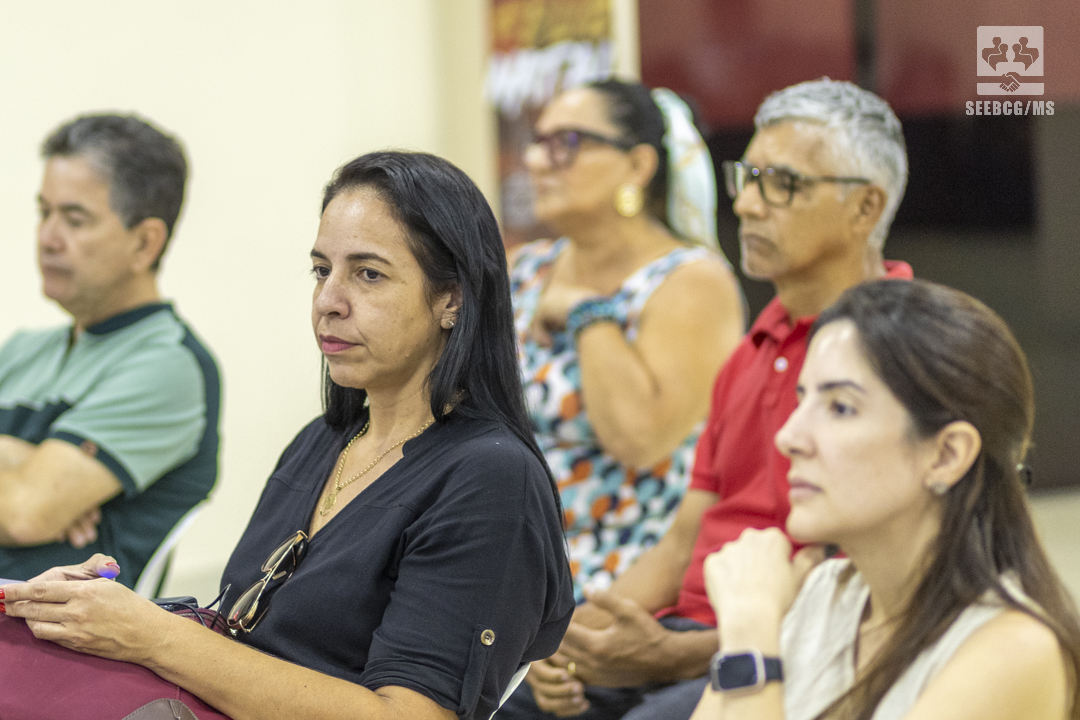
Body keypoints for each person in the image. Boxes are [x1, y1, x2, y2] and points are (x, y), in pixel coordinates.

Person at [0, 151, 575, 720]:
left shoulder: (490, 478)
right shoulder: (325, 441)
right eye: (322, 270)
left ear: (452, 298)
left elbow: (411, 715)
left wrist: (154, 636)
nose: (328, 302)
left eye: (369, 274)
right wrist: (103, 612)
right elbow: (240, 634)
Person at [502, 78, 913, 720]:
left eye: (782, 184)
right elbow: (680, 542)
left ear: (865, 207)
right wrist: (572, 640)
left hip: (792, 642)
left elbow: (868, 595)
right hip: (681, 625)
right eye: (747, 178)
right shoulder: (753, 349)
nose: (746, 204)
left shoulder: (906, 351)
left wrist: (671, 656)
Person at [691, 278, 1080, 720]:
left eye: (840, 408)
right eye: (802, 401)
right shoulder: (822, 593)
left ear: (947, 455)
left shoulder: (1014, 650)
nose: (789, 436)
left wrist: (749, 634)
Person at [511, 79, 744, 601]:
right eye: (537, 141)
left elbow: (639, 438)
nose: (537, 161)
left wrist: (586, 313)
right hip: (507, 562)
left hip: (620, 578)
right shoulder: (524, 269)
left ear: (638, 165)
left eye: (567, 143)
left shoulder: (691, 281)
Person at [0, 114, 220, 589]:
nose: (47, 238)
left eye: (74, 219)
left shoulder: (168, 366)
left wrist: (27, 482)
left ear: (145, 243)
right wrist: (15, 457)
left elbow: (23, 514)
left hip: (38, 628)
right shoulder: (19, 351)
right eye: (44, 212)